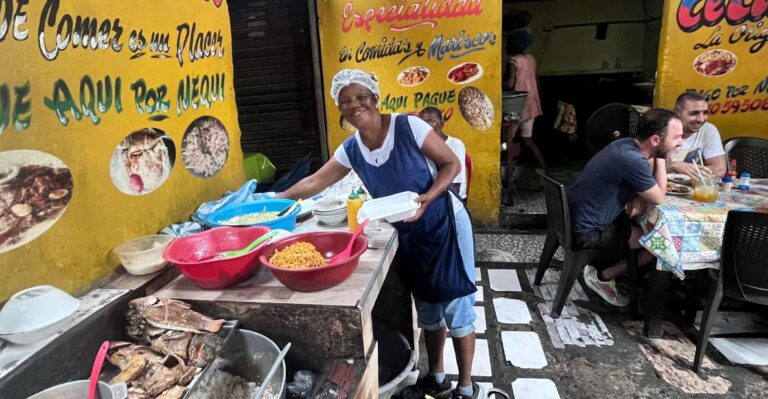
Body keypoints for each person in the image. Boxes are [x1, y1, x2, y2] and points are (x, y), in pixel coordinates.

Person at [279, 69, 479, 399]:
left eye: (361, 97)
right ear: (340, 109)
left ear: (375, 99)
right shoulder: (352, 149)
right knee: (428, 308)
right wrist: (274, 200)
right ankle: (438, 377)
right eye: (346, 101)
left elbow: (451, 165)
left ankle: (467, 386)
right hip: (410, 231)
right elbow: (315, 182)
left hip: (444, 223)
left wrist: (429, 197)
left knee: (456, 306)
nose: (354, 105)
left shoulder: (408, 127)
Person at [568, 109, 683, 306]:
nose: (681, 143)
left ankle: (603, 268)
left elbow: (645, 173)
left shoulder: (625, 145)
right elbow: (659, 197)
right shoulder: (631, 159)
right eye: (677, 138)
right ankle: (603, 275)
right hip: (588, 231)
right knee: (660, 244)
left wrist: (639, 194)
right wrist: (662, 158)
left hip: (577, 218)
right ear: (655, 140)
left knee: (646, 230)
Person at [503, 31, 548, 174]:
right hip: (532, 103)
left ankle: (507, 176)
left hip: (517, 104)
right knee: (528, 140)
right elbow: (536, 81)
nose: (505, 46)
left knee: (507, 143)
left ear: (514, 45)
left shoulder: (513, 61)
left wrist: (496, 82)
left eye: (508, 43)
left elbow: (510, 85)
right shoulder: (531, 59)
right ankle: (545, 171)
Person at [667, 92, 727, 178]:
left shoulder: (708, 129)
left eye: (705, 113)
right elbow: (645, 167)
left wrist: (689, 169)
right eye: (694, 113)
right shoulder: (662, 128)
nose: (701, 119)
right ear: (677, 114)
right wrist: (674, 165)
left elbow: (720, 170)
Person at [419, 106, 468, 200]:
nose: (427, 127)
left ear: (442, 124)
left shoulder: (455, 144)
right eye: (422, 123)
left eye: (431, 122)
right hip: (429, 195)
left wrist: (430, 195)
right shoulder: (420, 146)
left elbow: (456, 185)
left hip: (451, 198)